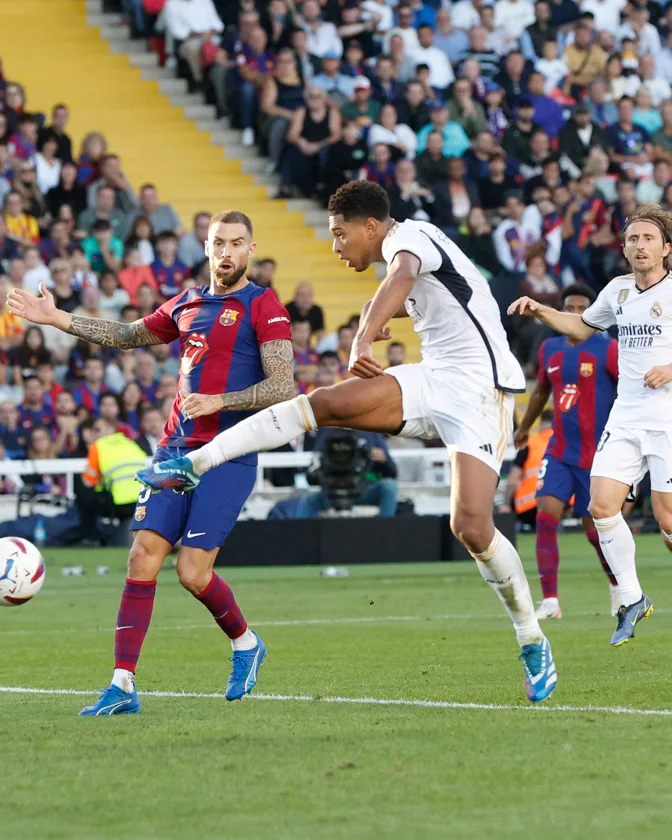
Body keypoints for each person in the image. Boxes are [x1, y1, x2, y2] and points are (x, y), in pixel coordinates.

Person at [138, 182, 557, 703]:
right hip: (434, 378)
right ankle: (196, 461)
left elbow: (403, 276)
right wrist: (378, 317)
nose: (336, 247)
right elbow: (431, 294)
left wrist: (364, 334)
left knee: (470, 526)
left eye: (340, 235)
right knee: (326, 403)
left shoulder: (414, 238)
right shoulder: (413, 255)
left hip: (480, 391)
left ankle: (531, 639)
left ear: (371, 228)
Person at [6, 210, 295, 715]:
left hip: (225, 454)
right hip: (174, 450)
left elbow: (282, 385)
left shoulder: (263, 305)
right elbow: (125, 335)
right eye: (218, 243)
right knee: (141, 557)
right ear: (206, 249)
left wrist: (221, 402)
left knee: (192, 573)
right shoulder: (187, 302)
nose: (226, 252)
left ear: (251, 250)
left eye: (237, 243)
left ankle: (246, 645)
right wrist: (58, 319)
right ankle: (121, 687)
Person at [508, 204, 672, 646]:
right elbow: (579, 328)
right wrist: (541, 311)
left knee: (668, 522)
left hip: (668, 418)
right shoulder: (617, 291)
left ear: (666, 248)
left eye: (648, 239)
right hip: (626, 416)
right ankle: (633, 599)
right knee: (601, 507)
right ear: (623, 248)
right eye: (633, 239)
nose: (639, 245)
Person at [512, 284, 621, 620]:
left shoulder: (609, 349)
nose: (576, 314)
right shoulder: (550, 349)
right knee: (545, 518)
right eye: (570, 308)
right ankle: (551, 601)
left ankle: (620, 586)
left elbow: (628, 393)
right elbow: (541, 389)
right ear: (559, 312)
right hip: (559, 450)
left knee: (594, 532)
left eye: (582, 309)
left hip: (596, 455)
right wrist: (525, 426)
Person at [77, 416, 148, 544]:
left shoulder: (98, 446)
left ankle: (91, 539)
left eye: (97, 429)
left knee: (83, 496)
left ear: (110, 429)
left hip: (121, 502)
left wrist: (100, 483)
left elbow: (88, 481)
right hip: (144, 499)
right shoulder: (131, 443)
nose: (94, 433)